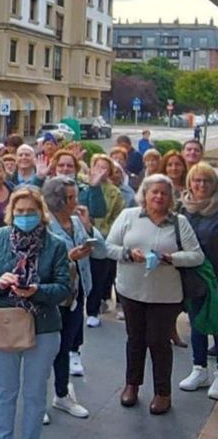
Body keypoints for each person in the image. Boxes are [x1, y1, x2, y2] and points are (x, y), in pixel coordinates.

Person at [104, 174, 204, 414]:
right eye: (154, 192)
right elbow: (108, 247)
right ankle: (132, 385)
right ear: (145, 195)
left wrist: (171, 258)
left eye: (164, 193)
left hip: (165, 296)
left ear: (170, 197)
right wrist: (129, 254)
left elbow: (197, 255)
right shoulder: (129, 216)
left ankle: (162, 393)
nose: (159, 196)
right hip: (130, 291)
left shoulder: (179, 222)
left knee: (159, 343)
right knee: (135, 340)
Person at [0, 187, 71, 439]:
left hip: (43, 326)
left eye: (31, 211)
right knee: (4, 390)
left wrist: (37, 290)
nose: (25, 215)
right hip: (5, 321)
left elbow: (64, 288)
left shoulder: (56, 245)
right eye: (20, 211)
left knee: (34, 392)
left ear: (41, 213)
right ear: (11, 212)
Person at [43, 177, 102, 422]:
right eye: (72, 197)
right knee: (44, 351)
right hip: (51, 297)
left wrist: (89, 229)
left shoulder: (77, 221)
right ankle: (38, 400)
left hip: (76, 295)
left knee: (65, 347)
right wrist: (69, 256)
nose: (77, 201)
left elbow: (103, 248)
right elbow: (41, 262)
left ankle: (62, 394)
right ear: (58, 200)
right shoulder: (44, 225)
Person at [178, 163, 218, 397]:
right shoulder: (184, 210)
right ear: (190, 183)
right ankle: (199, 369)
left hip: (216, 277)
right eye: (197, 180)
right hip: (193, 279)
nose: (201, 185)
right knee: (197, 324)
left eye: (207, 181)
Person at [86, 154, 126, 329]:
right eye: (98, 167)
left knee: (101, 274)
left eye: (105, 168)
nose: (101, 171)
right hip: (85, 235)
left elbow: (118, 215)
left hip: (105, 237)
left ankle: (96, 307)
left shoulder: (114, 192)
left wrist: (111, 234)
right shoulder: (83, 186)